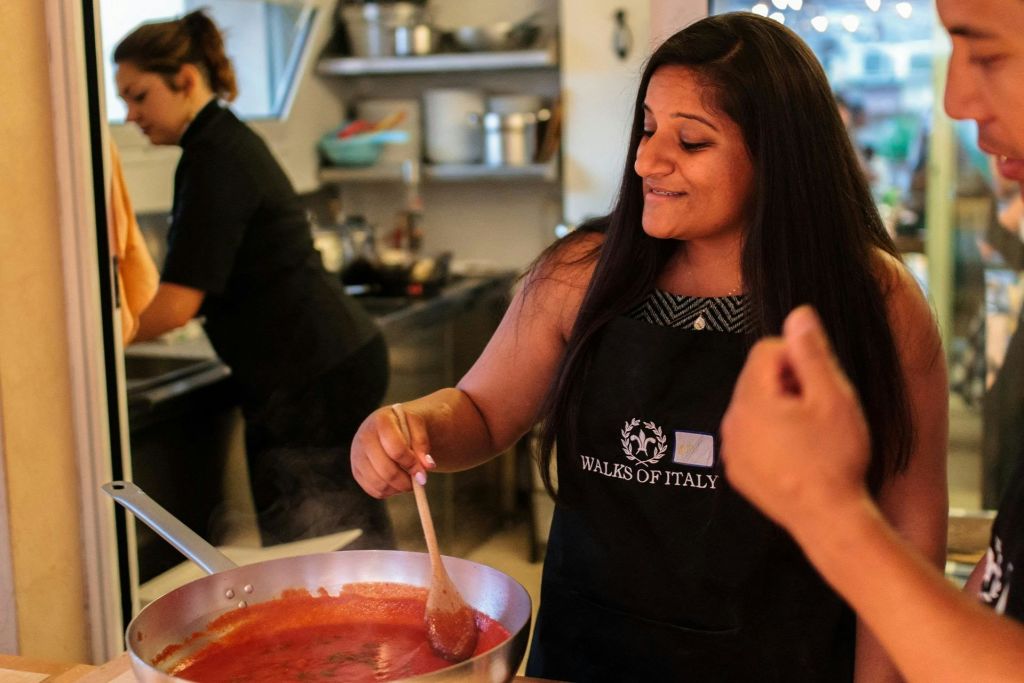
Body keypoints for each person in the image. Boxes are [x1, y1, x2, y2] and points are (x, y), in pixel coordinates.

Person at [351, 12, 948, 681]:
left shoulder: (874, 298)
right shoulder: (582, 273)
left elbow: (909, 523)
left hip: (790, 660)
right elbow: (484, 413)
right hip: (589, 657)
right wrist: (413, 425)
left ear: (779, 155)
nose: (647, 161)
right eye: (647, 128)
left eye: (691, 141)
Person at [720, 1, 1024, 679]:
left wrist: (827, 512)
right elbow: (1005, 579)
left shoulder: (879, 293)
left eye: (988, 54)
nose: (955, 102)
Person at [114, 10, 394, 549]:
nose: (130, 115)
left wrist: (95, 346)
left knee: (320, 543)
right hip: (325, 362)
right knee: (342, 538)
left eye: (139, 96)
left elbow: (176, 305)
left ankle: (370, 609)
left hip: (311, 375)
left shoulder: (214, 159)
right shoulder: (219, 144)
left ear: (185, 80)